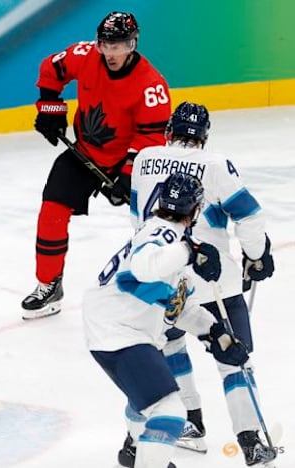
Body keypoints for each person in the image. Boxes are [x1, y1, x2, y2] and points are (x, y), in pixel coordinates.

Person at [129, 102, 277, 466]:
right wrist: (256, 255)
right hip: (213, 279)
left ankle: (189, 423)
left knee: (170, 347)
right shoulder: (215, 164)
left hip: (162, 275)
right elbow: (249, 216)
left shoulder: (144, 159)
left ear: (169, 131)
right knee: (234, 358)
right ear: (205, 136)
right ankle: (251, 442)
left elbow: (137, 217)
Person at [84, 171, 250, 468]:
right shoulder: (165, 235)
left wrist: (215, 334)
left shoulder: (169, 237)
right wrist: (188, 252)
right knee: (169, 410)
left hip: (114, 327)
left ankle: (136, 449)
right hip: (118, 332)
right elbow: (143, 268)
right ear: (196, 209)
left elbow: (176, 305)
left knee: (147, 399)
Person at [23, 11, 172, 319]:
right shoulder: (85, 56)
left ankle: (160, 285)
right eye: (105, 45)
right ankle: (49, 284)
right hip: (85, 152)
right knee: (51, 210)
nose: (110, 53)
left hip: (129, 161)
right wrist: (51, 110)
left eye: (117, 46)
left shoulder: (151, 85)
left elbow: (151, 137)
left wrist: (128, 175)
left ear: (132, 44)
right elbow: (51, 69)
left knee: (152, 225)